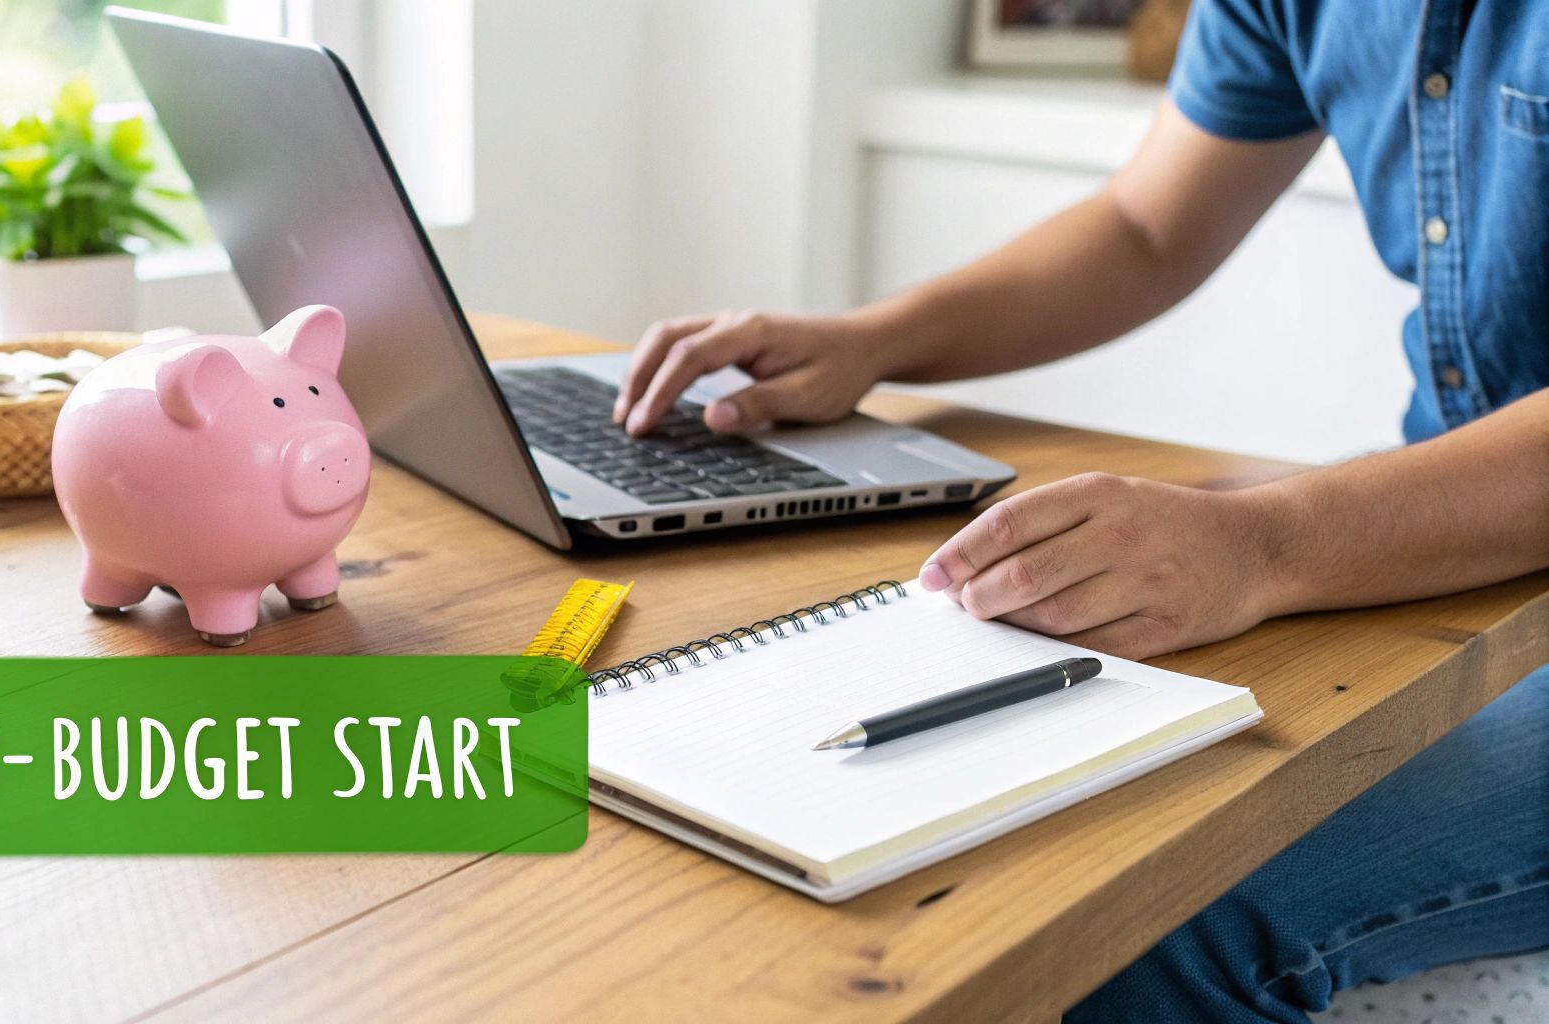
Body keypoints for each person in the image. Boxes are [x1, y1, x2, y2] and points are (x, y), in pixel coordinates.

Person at [613, 0, 1549, 1019]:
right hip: (1444, 524)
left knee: (1134, 914)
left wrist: (1263, 542)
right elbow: (1144, 227)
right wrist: (870, 341)